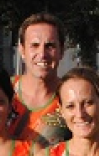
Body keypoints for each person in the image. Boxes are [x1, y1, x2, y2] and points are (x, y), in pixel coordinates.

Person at [8, 13, 71, 148]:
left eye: (50, 46)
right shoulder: (2, 91)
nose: (42, 54)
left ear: (62, 51)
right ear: (22, 50)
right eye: (34, 45)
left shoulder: (72, 97)